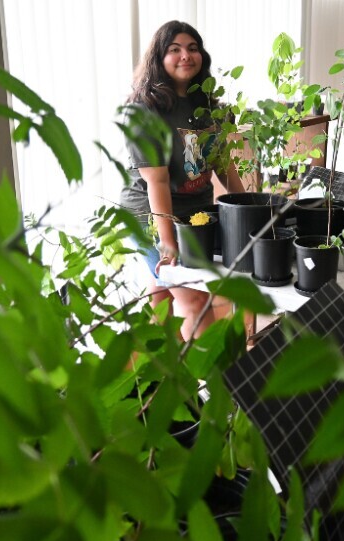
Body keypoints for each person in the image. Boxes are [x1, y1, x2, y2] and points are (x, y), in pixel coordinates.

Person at [119, 21, 245, 340]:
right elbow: (156, 184)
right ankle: (220, 382)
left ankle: (156, 374)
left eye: (192, 48)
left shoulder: (211, 107)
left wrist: (249, 210)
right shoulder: (143, 112)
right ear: (159, 58)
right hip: (149, 214)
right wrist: (168, 244)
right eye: (174, 50)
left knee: (160, 295)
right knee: (195, 298)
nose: (185, 56)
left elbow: (221, 164)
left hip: (195, 214)